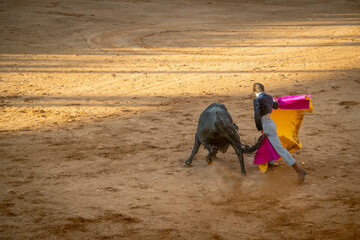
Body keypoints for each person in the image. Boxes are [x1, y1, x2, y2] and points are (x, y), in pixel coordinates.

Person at [252, 83, 307, 184]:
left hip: (266, 126)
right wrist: (275, 102)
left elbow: (257, 116)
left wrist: (259, 128)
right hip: (271, 123)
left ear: (255, 92)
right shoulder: (269, 97)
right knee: (266, 143)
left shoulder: (257, 100)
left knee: (280, 149)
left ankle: (299, 170)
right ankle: (271, 162)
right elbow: (276, 106)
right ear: (263, 90)